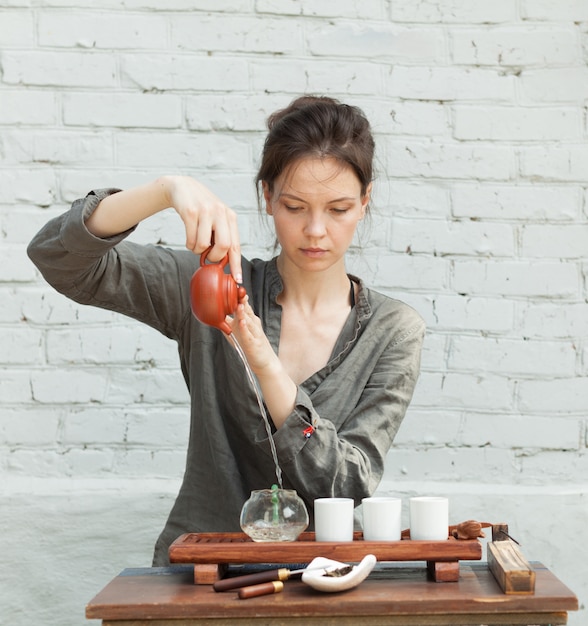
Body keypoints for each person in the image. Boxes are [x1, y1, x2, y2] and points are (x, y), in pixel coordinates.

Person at [27, 95, 425, 565]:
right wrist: (165, 191)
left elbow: (344, 484)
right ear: (268, 198)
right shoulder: (212, 288)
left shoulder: (392, 330)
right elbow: (58, 258)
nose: (316, 230)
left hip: (324, 580)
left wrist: (265, 365)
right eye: (295, 206)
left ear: (364, 203)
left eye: (338, 209)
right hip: (201, 573)